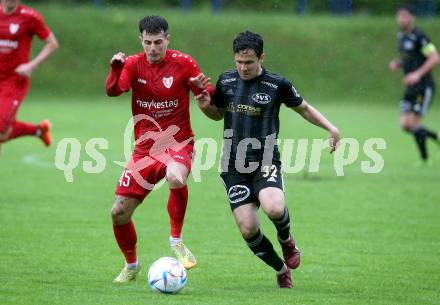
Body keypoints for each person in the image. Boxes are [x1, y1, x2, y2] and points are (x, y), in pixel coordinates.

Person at [195, 31, 340, 288]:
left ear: (261, 57)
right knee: (248, 229)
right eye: (239, 61)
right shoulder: (226, 80)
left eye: (249, 62)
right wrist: (206, 106)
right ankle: (280, 269)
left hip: (265, 159)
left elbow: (303, 108)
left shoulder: (276, 84)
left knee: (273, 207)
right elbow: (217, 115)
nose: (243, 67)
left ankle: (286, 240)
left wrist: (331, 128)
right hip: (233, 164)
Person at [105, 15, 212, 283]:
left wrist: (204, 92)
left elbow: (208, 95)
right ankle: (131, 265)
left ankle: (176, 240)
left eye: (158, 42)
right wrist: (115, 69)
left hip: (178, 143)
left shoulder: (184, 63)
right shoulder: (132, 63)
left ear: (167, 40)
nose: (153, 48)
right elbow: (114, 91)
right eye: (148, 42)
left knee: (176, 177)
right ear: (141, 40)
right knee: (118, 212)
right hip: (144, 150)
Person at [0, 0, 58, 151]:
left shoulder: (29, 17)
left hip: (14, 81)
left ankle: (38, 131)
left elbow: (52, 43)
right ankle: (39, 131)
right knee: (3, 132)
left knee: (1, 128)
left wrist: (32, 65)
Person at [389, 5, 440, 162]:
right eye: (399, 16)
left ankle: (424, 159)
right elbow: (411, 58)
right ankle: (435, 137)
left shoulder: (420, 36)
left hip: (423, 87)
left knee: (414, 123)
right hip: (411, 87)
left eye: (405, 16)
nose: (401, 19)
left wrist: (417, 74)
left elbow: (434, 58)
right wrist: (399, 63)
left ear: (412, 18)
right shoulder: (401, 37)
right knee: (405, 125)